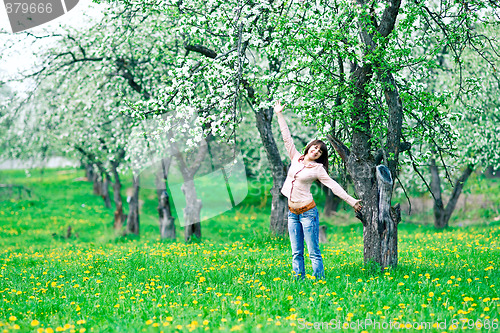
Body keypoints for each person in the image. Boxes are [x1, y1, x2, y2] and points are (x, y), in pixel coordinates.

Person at [274, 100, 362, 280]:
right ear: (308, 147)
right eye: (314, 147)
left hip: (308, 213)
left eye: (320, 152)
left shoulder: (318, 169)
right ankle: (299, 281)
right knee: (296, 252)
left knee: (313, 251)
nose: (316, 151)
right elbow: (286, 137)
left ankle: (319, 281)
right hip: (292, 213)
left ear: (321, 157)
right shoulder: (295, 157)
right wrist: (279, 114)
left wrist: (352, 201)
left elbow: (333, 186)